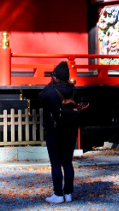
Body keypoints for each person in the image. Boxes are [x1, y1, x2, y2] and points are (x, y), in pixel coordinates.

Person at [39, 61, 78, 204]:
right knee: (67, 162)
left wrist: (50, 83)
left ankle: (58, 193)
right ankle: (68, 193)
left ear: (55, 76)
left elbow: (40, 98)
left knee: (55, 162)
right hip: (70, 130)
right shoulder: (74, 90)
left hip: (54, 131)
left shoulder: (49, 91)